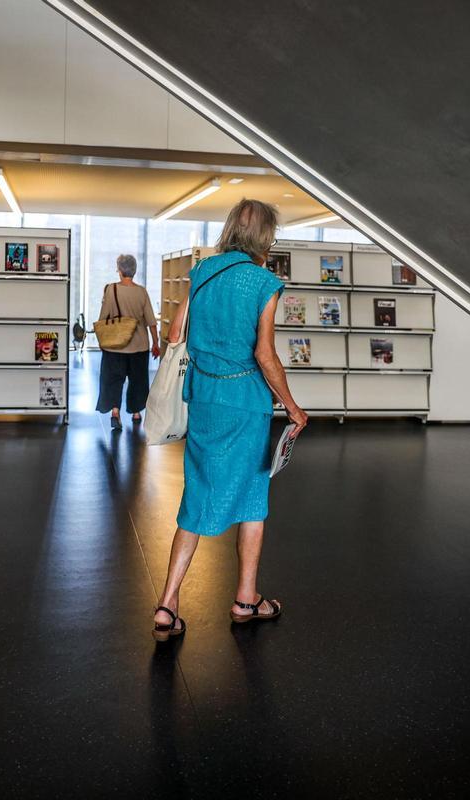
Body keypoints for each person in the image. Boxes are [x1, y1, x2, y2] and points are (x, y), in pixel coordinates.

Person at [151, 199, 309, 641]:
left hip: (203, 397)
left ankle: (168, 603)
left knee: (197, 494)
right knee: (253, 497)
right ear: (265, 238)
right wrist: (293, 407)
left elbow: (175, 334)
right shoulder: (264, 283)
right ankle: (245, 598)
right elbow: (264, 354)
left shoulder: (203, 271)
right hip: (245, 402)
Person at [96, 254, 160, 430]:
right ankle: (136, 413)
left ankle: (115, 412)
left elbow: (103, 318)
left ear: (119, 270)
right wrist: (156, 343)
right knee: (138, 380)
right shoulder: (141, 292)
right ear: (134, 270)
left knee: (113, 379)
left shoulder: (111, 290)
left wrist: (101, 339)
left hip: (115, 345)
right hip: (139, 346)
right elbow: (151, 321)